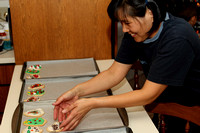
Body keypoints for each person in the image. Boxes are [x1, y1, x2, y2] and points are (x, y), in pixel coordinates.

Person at [53, 0, 200, 132]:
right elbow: (114, 73)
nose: (124, 29)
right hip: (170, 99)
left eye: (127, 22)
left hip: (193, 103)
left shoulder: (177, 37)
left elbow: (148, 94)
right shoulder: (137, 32)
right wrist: (77, 91)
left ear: (150, 12)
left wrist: (92, 103)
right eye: (121, 23)